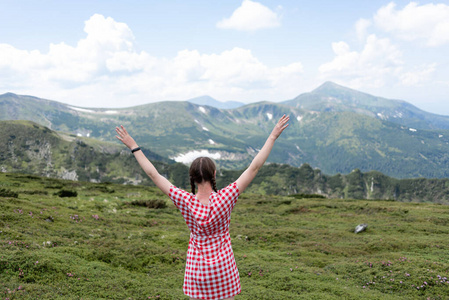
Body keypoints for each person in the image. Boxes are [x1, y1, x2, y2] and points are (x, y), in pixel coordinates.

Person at [115, 115, 289, 300]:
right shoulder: (226, 198)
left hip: (197, 271)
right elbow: (254, 168)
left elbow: (154, 175)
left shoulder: (185, 200)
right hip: (224, 271)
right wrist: (272, 136)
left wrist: (134, 146)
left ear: (192, 178)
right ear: (214, 174)